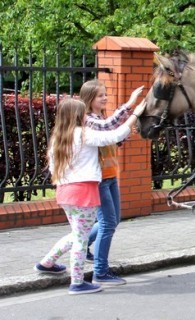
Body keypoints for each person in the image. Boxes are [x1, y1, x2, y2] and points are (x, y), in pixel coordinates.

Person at [35, 98, 145, 295]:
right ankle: (77, 282)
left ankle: (47, 263)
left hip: (65, 192)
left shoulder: (58, 137)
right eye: (83, 113)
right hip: (84, 192)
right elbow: (115, 135)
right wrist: (135, 114)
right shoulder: (83, 134)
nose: (86, 116)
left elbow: (53, 168)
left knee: (77, 234)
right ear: (78, 116)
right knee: (80, 240)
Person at [80, 80, 143, 286]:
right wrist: (132, 104)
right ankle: (100, 271)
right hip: (99, 180)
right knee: (107, 224)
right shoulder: (88, 119)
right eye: (100, 95)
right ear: (89, 99)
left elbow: (109, 139)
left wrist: (121, 138)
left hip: (110, 176)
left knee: (112, 221)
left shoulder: (99, 116)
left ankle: (82, 244)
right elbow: (108, 128)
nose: (105, 98)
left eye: (105, 94)